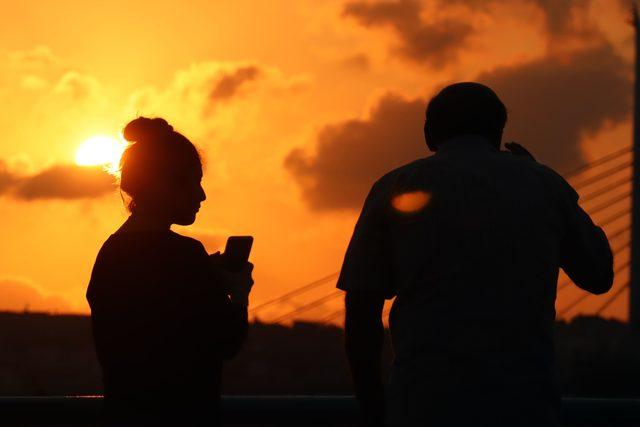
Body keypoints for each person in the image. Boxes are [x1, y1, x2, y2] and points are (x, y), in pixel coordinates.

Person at [338, 82, 614, 426]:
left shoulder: (395, 187)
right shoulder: (543, 184)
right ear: (498, 132)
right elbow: (599, 275)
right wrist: (547, 179)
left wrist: (372, 409)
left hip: (422, 404)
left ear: (429, 132)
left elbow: (362, 312)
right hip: (525, 405)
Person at [86, 117, 253, 426]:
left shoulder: (110, 254)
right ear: (164, 184)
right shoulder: (186, 256)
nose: (201, 195)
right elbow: (226, 342)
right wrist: (238, 294)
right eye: (193, 182)